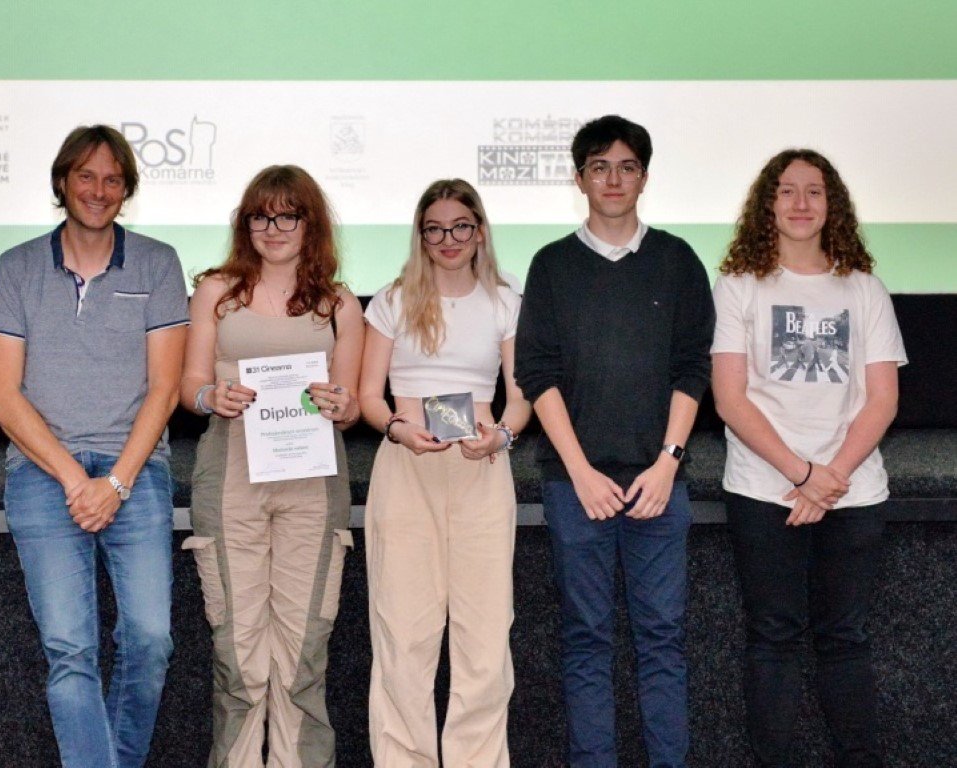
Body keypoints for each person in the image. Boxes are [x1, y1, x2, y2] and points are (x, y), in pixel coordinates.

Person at [0, 125, 188, 768]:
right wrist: (77, 480)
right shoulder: (17, 267)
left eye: (113, 179)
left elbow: (165, 389)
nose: (99, 190)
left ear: (126, 190)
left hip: (136, 471)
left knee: (150, 640)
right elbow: (1, 396)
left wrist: (117, 483)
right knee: (71, 650)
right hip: (46, 474)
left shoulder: (157, 262)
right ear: (62, 182)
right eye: (86, 176)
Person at [514, 115, 714, 768]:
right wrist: (579, 473)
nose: (613, 179)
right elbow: (536, 373)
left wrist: (667, 463)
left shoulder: (677, 261)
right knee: (585, 641)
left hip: (659, 484)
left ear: (644, 178)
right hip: (576, 486)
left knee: (662, 640)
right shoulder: (551, 265)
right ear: (579, 179)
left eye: (626, 167)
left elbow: (692, 368)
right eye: (598, 167)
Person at [712, 149, 905, 768]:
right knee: (773, 638)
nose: (801, 203)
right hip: (764, 490)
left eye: (814, 191)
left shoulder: (864, 288)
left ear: (832, 205)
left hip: (853, 492)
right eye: (787, 191)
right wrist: (803, 475)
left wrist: (831, 478)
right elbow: (729, 398)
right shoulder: (739, 285)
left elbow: (882, 399)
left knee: (845, 638)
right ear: (767, 204)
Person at [179, 165, 364, 767]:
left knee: (304, 655)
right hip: (231, 480)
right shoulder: (216, 292)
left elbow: (352, 403)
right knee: (239, 656)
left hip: (313, 486)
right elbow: (189, 387)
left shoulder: (339, 304)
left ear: (311, 223)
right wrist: (211, 396)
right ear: (245, 223)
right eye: (261, 216)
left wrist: (342, 405)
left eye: (288, 215)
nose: (274, 228)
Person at [360, 178, 531, 767]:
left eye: (460, 226)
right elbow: (368, 396)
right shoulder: (392, 300)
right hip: (407, 468)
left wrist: (501, 436)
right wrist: (397, 428)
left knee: (485, 641)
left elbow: (521, 397)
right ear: (421, 235)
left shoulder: (506, 299)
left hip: (481, 469)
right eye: (435, 229)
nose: (448, 239)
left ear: (479, 231)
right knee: (403, 639)